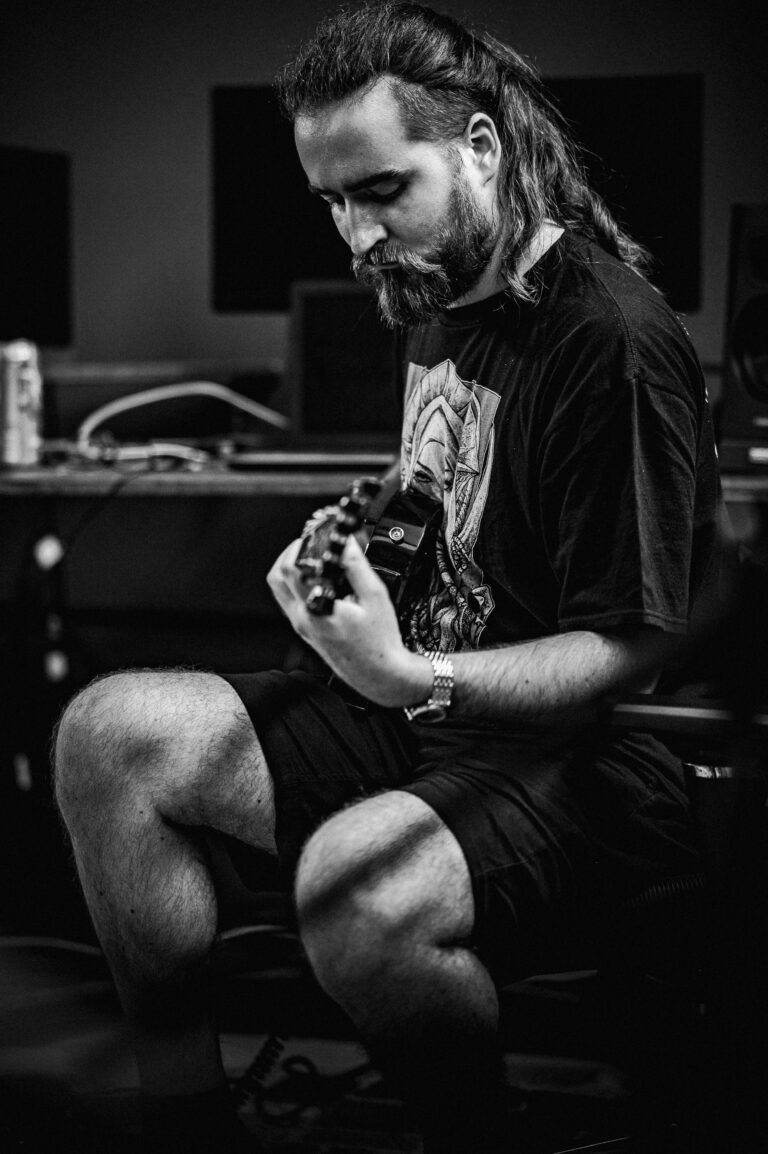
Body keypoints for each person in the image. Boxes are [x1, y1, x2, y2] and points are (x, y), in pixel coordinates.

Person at [53, 3, 725, 1152]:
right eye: (332, 201)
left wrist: (415, 674)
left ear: (479, 148)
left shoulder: (611, 340)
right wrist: (353, 553)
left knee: (352, 890)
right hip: (420, 709)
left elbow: (629, 648)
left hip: (582, 757)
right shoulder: (434, 293)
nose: (357, 234)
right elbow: (451, 506)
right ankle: (184, 1120)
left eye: (380, 190)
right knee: (108, 736)